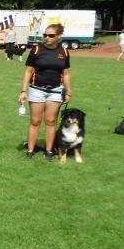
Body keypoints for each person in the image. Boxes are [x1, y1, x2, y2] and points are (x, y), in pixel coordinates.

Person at [18, 23, 72, 161]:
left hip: (56, 91)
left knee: (51, 121)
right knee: (35, 121)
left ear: (59, 36)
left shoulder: (64, 52)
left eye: (51, 35)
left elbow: (65, 74)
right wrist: (23, 91)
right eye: (45, 35)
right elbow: (28, 72)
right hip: (37, 90)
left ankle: (49, 151)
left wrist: (68, 92)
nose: (47, 37)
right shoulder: (36, 49)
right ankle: (30, 150)